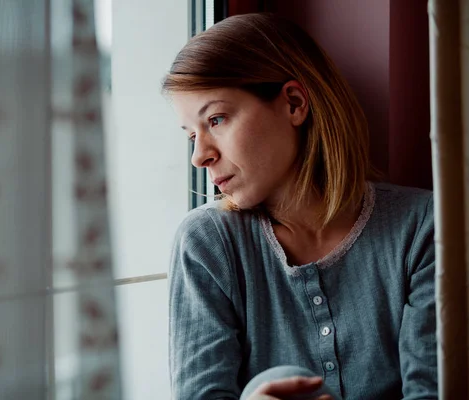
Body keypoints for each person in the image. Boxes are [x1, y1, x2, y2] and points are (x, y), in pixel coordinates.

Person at [162, 13, 437, 400]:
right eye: (192, 135)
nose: (199, 156)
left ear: (294, 103)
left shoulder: (422, 227)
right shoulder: (206, 243)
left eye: (217, 119)